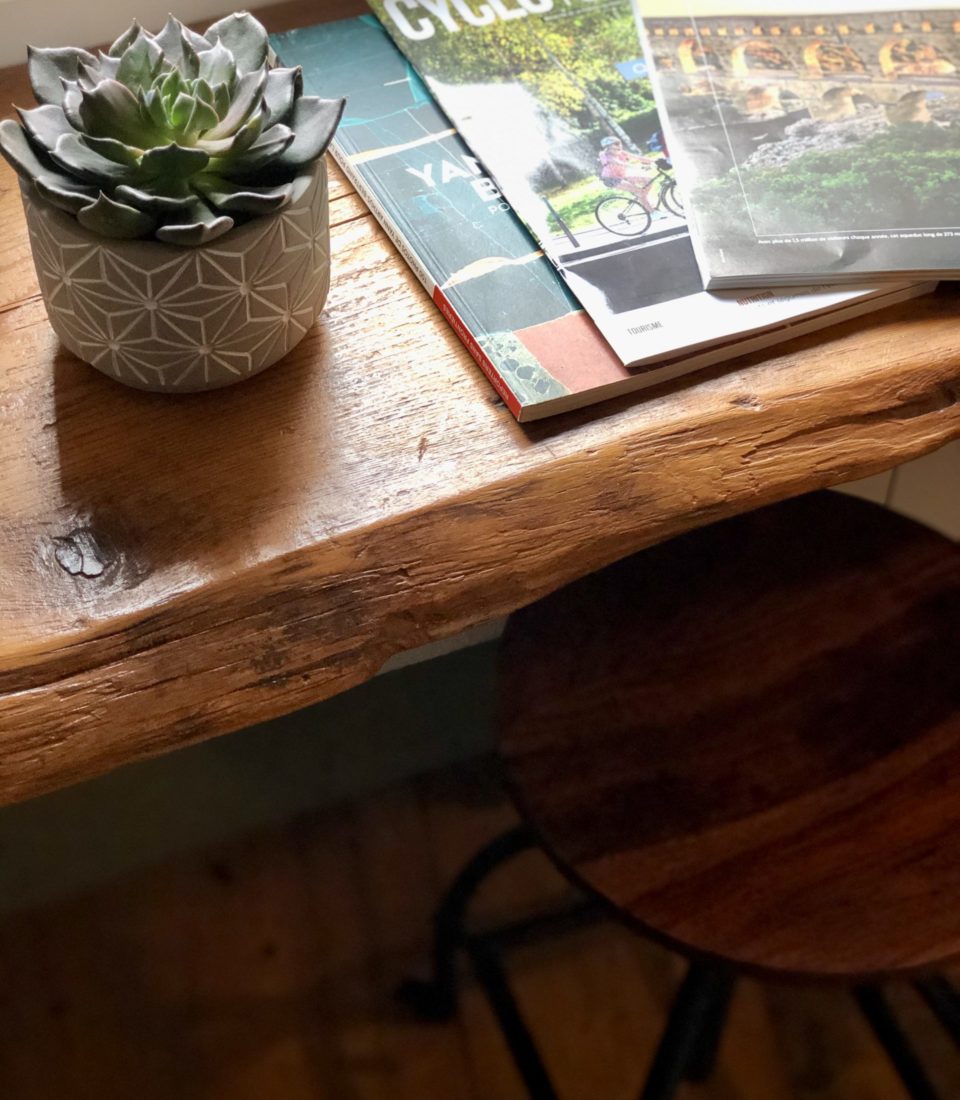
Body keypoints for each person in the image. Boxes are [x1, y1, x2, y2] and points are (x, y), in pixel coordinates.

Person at [597, 136, 663, 217]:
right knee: (639, 192)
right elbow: (618, 162)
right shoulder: (604, 155)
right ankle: (652, 213)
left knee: (648, 180)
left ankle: (643, 200)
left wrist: (655, 161)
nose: (619, 145)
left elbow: (638, 158)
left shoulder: (621, 152)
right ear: (608, 147)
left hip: (623, 176)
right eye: (616, 144)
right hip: (611, 179)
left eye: (620, 143)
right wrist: (638, 166)